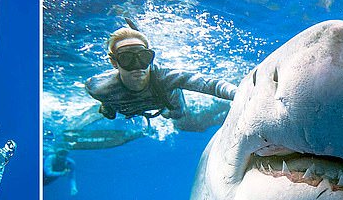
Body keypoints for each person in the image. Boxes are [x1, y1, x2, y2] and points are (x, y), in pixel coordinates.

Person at [85, 27, 236, 126]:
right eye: (126, 59)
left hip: (164, 103)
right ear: (114, 63)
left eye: (143, 57)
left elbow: (210, 84)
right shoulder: (98, 88)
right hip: (126, 106)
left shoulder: (166, 77)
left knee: (177, 115)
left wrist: (239, 94)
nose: (137, 65)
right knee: (109, 114)